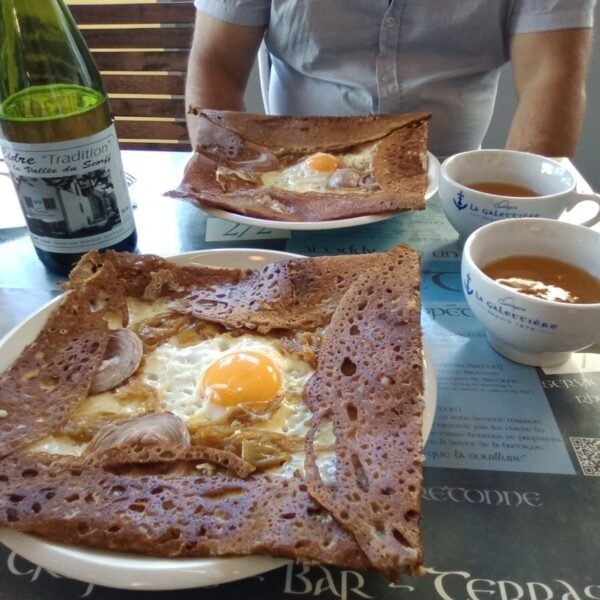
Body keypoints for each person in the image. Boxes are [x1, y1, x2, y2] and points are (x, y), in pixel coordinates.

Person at [185, 1, 596, 159]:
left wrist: (511, 211)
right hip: (291, 177)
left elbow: (552, 78)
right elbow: (216, 63)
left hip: (451, 180)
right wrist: (239, 178)